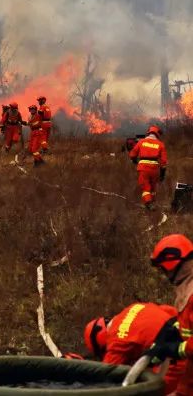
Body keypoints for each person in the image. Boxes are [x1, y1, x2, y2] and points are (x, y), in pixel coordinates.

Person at [83, 303, 183, 392]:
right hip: (184, 336)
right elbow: (170, 310)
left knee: (153, 391)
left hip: (174, 357)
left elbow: (106, 375)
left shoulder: (115, 341)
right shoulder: (134, 307)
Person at [146, 234, 193, 392]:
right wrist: (173, 329)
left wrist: (176, 349)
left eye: (163, 269)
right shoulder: (186, 289)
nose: (163, 274)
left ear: (173, 265)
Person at [130, 125, 167, 210]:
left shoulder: (141, 142)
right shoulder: (160, 144)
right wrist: (162, 174)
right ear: (157, 135)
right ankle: (153, 203)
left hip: (143, 168)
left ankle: (148, 204)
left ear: (148, 133)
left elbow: (133, 154)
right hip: (155, 169)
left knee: (145, 187)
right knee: (153, 187)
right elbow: (164, 161)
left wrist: (134, 160)